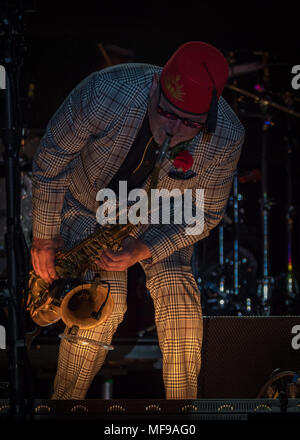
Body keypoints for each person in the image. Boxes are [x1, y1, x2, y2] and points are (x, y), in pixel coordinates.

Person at [30, 41, 245, 400]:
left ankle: (183, 414)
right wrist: (44, 238)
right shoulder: (105, 92)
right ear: (155, 86)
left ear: (208, 117)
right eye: (167, 114)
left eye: (191, 123)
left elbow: (205, 214)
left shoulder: (227, 136)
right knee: (101, 312)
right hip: (87, 209)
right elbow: (51, 161)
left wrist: (147, 247)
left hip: (161, 221)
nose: (174, 131)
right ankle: (64, 408)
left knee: (181, 304)